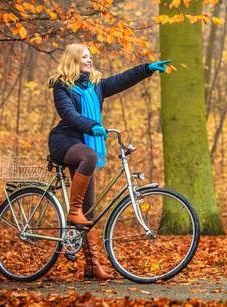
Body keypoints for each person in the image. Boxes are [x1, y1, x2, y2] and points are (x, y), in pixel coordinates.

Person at [48, 43, 170, 280]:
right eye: (84, 56)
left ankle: (92, 265)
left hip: (84, 142)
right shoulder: (61, 86)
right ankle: (73, 212)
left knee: (90, 210)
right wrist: (92, 125)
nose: (89, 60)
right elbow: (69, 115)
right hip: (65, 140)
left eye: (90, 56)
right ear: (73, 59)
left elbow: (123, 79)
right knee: (89, 157)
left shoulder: (97, 84)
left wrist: (147, 69)